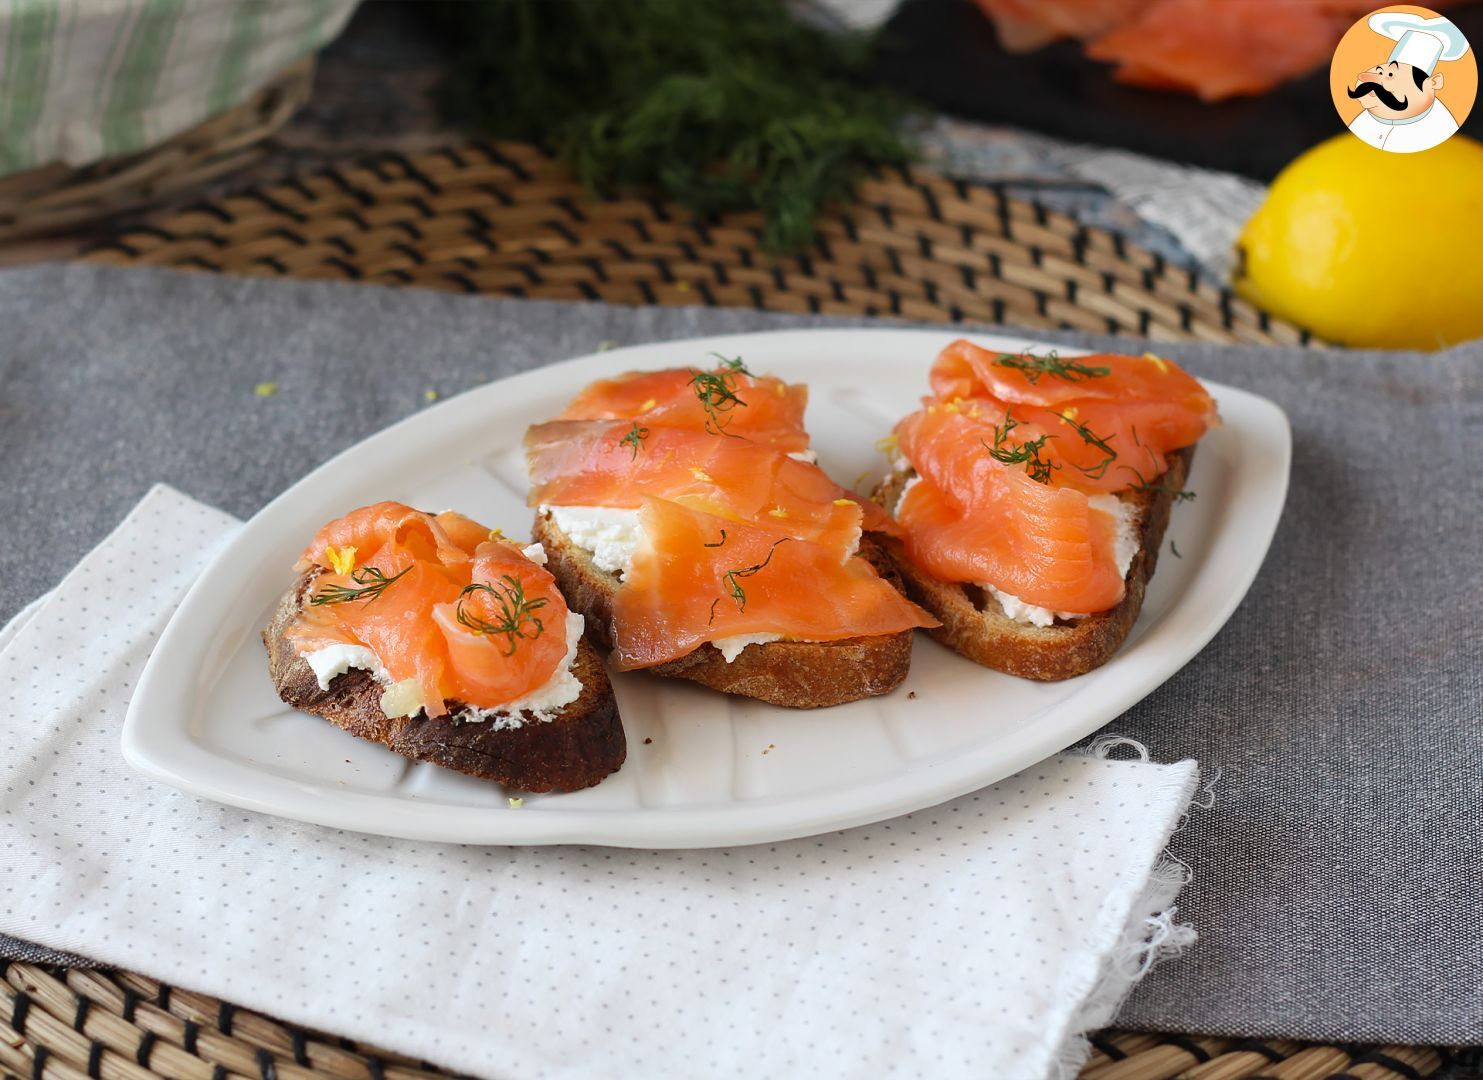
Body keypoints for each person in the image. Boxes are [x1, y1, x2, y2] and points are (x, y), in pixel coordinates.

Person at [1347, 11, 1470, 153]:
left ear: (1433, 83)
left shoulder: (1441, 127)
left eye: (1391, 75)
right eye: (1379, 71)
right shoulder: (1361, 119)